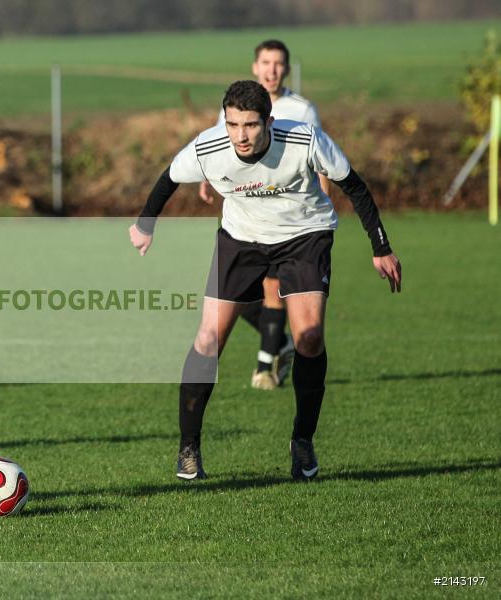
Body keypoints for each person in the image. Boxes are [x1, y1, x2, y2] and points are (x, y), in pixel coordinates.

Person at [129, 80, 401, 482]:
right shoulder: (208, 147)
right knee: (208, 340)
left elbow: (354, 186)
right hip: (241, 239)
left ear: (268, 121)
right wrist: (145, 224)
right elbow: (168, 178)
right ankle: (189, 448)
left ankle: (303, 440)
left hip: (305, 236)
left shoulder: (305, 140)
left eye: (251, 125)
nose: (241, 135)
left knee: (309, 338)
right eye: (233, 124)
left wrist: (381, 246)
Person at [200, 40, 329, 391]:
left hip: (291, 219)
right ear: (255, 67)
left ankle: (265, 367)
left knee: (272, 289)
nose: (271, 69)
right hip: (246, 218)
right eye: (265, 62)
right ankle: (279, 349)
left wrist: (319, 212)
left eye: (278, 63)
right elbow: (218, 150)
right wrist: (207, 181)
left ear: (286, 68)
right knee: (233, 296)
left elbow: (320, 161)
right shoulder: (239, 106)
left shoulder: (302, 109)